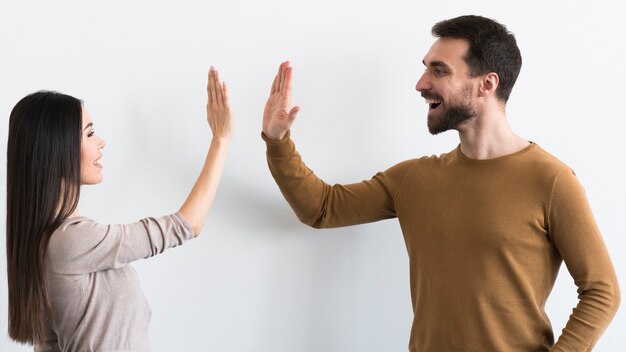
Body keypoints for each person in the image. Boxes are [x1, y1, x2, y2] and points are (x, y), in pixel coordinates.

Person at [261, 15, 620, 351]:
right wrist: (278, 142)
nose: (421, 84)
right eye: (425, 69)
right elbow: (321, 209)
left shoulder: (551, 181)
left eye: (439, 71)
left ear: (487, 84)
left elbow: (602, 290)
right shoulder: (414, 179)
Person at [6, 67, 232, 351]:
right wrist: (220, 140)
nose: (101, 142)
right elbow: (186, 225)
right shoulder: (71, 241)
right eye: (89, 134)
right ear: (58, 149)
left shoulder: (46, 241)